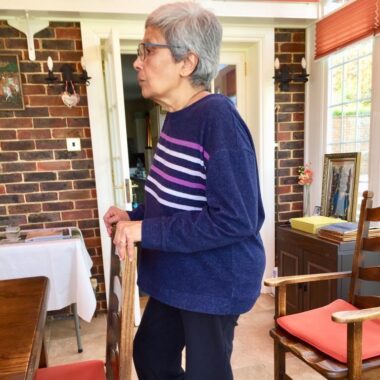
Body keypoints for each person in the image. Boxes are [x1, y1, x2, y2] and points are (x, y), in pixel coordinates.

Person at [103, 2, 265, 379]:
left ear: (187, 63)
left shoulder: (218, 118)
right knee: (151, 355)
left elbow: (237, 219)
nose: (137, 62)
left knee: (206, 373)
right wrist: (135, 216)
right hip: (177, 275)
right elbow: (176, 200)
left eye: (148, 49)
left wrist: (145, 231)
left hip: (214, 279)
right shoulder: (176, 119)